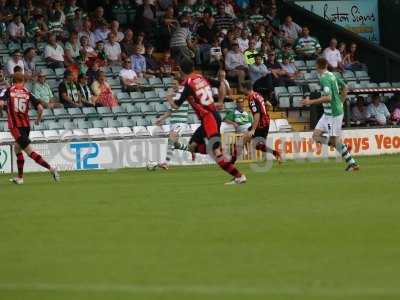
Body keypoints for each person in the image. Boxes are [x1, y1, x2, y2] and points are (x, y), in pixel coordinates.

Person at [166, 58, 246, 185]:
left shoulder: (187, 83)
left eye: (178, 69)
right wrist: (220, 101)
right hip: (210, 118)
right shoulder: (201, 77)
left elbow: (176, 106)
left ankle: (239, 176)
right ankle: (218, 150)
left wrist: (169, 98)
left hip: (210, 119)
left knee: (217, 154)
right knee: (192, 146)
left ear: (181, 70)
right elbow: (221, 84)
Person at [0, 72, 60, 184]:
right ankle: (20, 177)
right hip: (26, 126)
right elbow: (41, 108)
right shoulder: (27, 92)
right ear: (23, 81)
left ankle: (51, 169)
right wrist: (38, 120)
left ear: (13, 80)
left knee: (29, 151)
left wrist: (3, 111)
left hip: (16, 126)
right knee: (17, 148)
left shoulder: (9, 90)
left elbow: (1, 103)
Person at [301, 57, 359, 171]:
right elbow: (345, 87)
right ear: (326, 65)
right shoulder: (333, 75)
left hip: (333, 115)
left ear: (317, 66)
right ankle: (342, 147)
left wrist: (310, 102)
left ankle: (352, 163)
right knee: (316, 136)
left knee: (334, 140)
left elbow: (328, 97)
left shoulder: (324, 79)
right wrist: (341, 103)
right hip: (328, 113)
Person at [234, 81, 281, 163]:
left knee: (244, 140)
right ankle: (275, 153)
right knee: (255, 144)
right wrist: (265, 113)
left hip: (260, 124)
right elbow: (268, 105)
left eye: (242, 88)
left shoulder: (252, 98)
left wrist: (253, 129)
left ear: (245, 88)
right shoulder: (258, 95)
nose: (241, 90)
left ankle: (231, 161)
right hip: (265, 121)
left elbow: (257, 114)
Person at [155, 88, 191, 170]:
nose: (174, 86)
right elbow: (171, 111)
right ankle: (191, 149)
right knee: (175, 144)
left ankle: (166, 163)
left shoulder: (183, 96)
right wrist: (161, 119)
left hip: (181, 123)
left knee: (171, 138)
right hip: (173, 123)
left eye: (175, 84)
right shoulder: (173, 99)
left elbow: (176, 107)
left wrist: (169, 98)